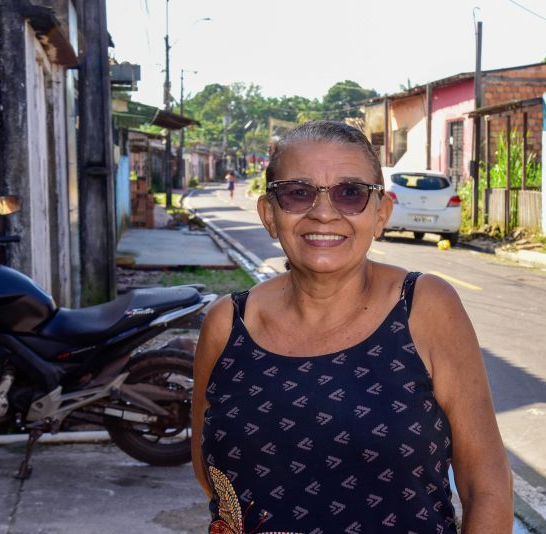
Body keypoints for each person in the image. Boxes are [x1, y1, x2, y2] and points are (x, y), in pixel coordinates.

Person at [192, 121, 512, 533]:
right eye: (298, 193)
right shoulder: (226, 324)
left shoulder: (425, 308)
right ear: (269, 215)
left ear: (381, 213)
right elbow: (210, 472)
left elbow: (487, 486)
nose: (324, 212)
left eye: (350, 193)